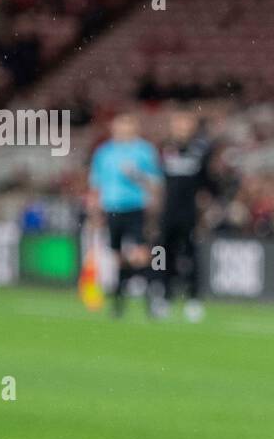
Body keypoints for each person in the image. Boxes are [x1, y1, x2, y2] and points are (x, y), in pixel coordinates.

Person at [88, 112, 162, 317]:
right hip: (111, 208)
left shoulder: (144, 151)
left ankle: (151, 298)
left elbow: (156, 183)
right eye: (119, 127)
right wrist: (95, 212)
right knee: (116, 256)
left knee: (141, 254)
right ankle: (119, 303)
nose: (122, 131)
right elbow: (96, 184)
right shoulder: (104, 153)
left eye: (126, 127)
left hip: (135, 207)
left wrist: (138, 176)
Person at [156, 110, 214, 322]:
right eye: (178, 124)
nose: (181, 128)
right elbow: (158, 181)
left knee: (191, 256)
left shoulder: (200, 150)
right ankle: (164, 296)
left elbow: (207, 183)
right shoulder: (164, 148)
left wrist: (207, 208)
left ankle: (193, 299)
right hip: (168, 212)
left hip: (190, 213)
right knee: (163, 255)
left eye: (185, 123)